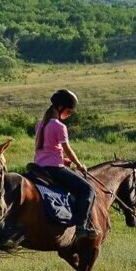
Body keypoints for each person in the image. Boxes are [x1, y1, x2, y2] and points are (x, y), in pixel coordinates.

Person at [32, 90, 99, 240]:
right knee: (88, 190)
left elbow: (48, 150)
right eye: (68, 111)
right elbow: (67, 149)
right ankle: (81, 227)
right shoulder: (59, 126)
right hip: (54, 169)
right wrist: (79, 164)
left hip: (40, 167)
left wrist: (66, 162)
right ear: (60, 107)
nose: (69, 115)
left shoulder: (40, 124)